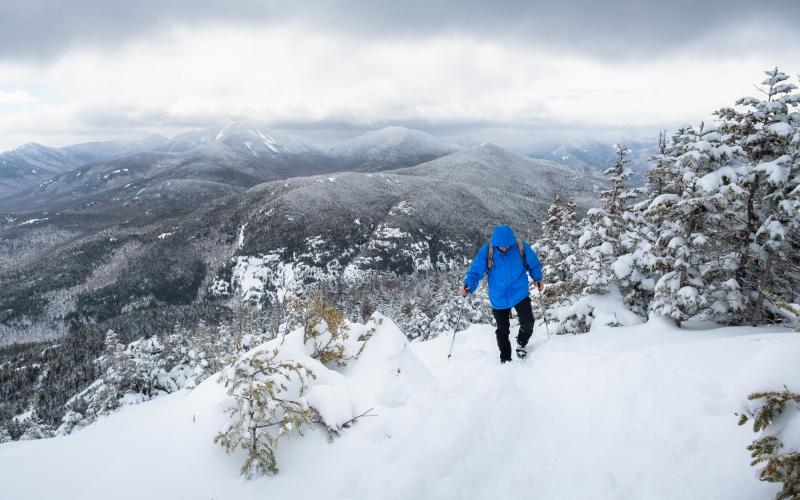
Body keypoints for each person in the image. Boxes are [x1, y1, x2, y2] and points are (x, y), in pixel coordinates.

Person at [461, 225, 544, 363]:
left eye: (507, 246)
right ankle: (505, 358)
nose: (504, 248)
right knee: (503, 330)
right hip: (498, 296)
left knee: (528, 322)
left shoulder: (520, 247)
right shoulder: (487, 251)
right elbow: (476, 272)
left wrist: (538, 278)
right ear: (496, 243)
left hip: (519, 292)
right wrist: (468, 285)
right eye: (501, 246)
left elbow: (534, 264)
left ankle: (522, 343)